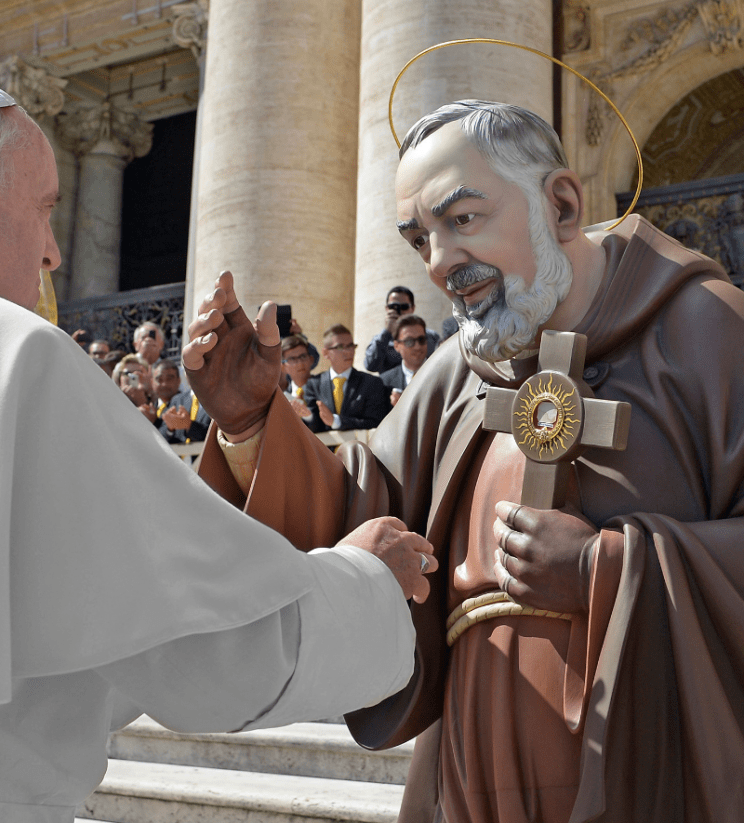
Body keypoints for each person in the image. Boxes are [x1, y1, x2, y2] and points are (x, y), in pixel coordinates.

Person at [0, 69, 438, 822]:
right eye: (41, 211)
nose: (54, 254)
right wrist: (367, 582)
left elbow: (69, 640)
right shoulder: (1, 352)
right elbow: (220, 662)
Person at [184, 99, 744, 823]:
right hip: (467, 766)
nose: (440, 262)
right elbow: (363, 516)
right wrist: (253, 424)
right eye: (420, 238)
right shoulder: (458, 372)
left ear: (564, 203)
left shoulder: (709, 328)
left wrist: (604, 566)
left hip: (648, 766)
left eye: (463, 219)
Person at [305, 324, 391, 433]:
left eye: (351, 346)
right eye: (340, 347)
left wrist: (337, 421)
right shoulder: (314, 384)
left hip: (359, 448)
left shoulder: (372, 383)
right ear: (326, 353)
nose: (348, 351)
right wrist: (307, 415)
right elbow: (314, 428)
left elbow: (376, 423)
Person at [364, 285, 439, 373]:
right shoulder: (380, 340)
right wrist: (387, 332)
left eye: (404, 307)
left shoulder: (430, 336)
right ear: (387, 309)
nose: (399, 311)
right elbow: (370, 365)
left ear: (413, 308)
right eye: (393, 307)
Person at [380, 315, 429, 406]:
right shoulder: (384, 382)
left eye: (421, 340)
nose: (417, 347)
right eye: (409, 341)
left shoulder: (443, 373)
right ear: (396, 346)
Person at [280, 333, 317, 424]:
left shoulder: (326, 389)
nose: (300, 363)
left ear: (311, 360)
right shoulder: (281, 399)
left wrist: (308, 416)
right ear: (283, 367)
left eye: (303, 356)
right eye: (292, 359)